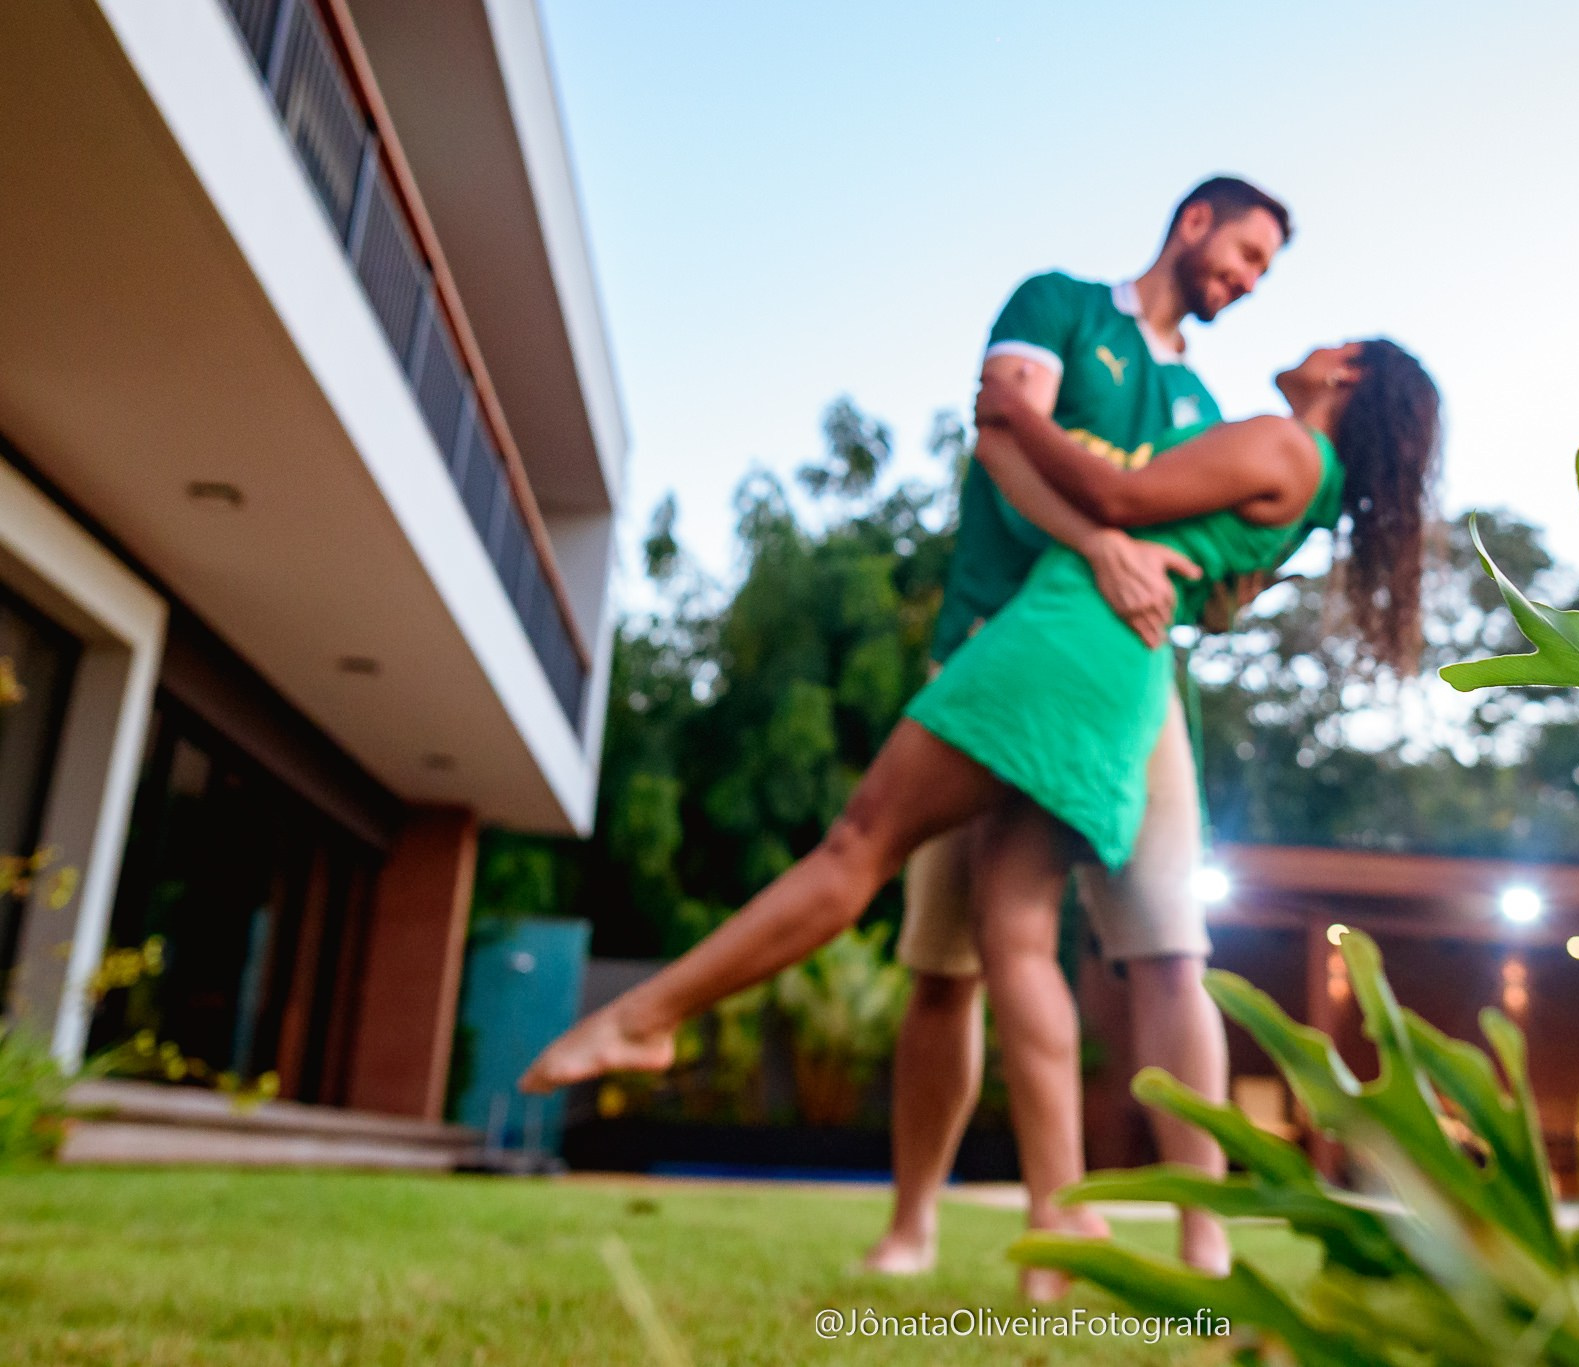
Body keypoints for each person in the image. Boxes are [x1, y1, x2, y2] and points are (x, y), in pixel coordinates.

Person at [519, 338, 1446, 1275]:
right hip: (1118, 674)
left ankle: (650, 1015)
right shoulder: (1318, 492)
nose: (1309, 345)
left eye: (1334, 343)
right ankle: (1062, 1220)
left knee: (861, 842)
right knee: (1012, 922)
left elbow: (1116, 498)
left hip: (1065, 641)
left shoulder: (1284, 446)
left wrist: (1021, 417)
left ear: (1350, 375)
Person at [868, 177, 1293, 1285]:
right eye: (1245, 252)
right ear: (1193, 221)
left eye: (1264, 272)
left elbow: (1199, 573)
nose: (1248, 282)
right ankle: (914, 1223)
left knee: (1171, 954)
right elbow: (1004, 435)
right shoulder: (1059, 305)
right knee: (944, 967)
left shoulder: (1209, 414)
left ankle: (1201, 1232)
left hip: (1130, 695)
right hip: (987, 659)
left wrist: (1225, 587)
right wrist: (1098, 540)